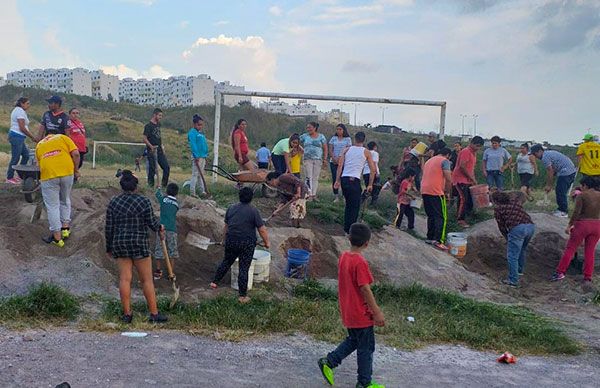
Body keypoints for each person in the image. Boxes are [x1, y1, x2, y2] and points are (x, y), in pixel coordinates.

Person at [318, 223, 385, 388]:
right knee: (366, 348)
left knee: (354, 340)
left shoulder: (343, 257)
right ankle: (364, 383)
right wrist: (376, 312)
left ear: (349, 238)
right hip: (362, 313)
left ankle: (329, 361)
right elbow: (365, 288)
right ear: (367, 243)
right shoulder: (360, 262)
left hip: (349, 310)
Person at [105, 170, 167, 323]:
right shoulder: (143, 201)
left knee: (125, 279)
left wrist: (109, 247)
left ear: (122, 186)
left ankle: (127, 315)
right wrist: (160, 228)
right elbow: (152, 223)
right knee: (146, 280)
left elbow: (109, 227)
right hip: (140, 244)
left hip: (120, 243)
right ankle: (154, 314)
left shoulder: (114, 202)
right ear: (136, 186)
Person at [210, 187, 270, 303]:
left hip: (231, 240)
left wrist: (224, 240)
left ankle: (214, 282)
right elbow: (262, 230)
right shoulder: (253, 211)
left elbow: (226, 227)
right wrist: (267, 242)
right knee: (244, 268)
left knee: (227, 261)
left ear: (239, 196)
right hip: (247, 243)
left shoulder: (231, 208)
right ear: (251, 198)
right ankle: (242, 296)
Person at [551, 176, 600, 286]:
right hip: (596, 224)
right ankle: (588, 276)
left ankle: (560, 272)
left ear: (585, 186)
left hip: (582, 223)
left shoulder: (582, 196)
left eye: (582, 186)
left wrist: (569, 225)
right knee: (590, 251)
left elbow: (576, 212)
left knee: (570, 249)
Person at [36, 128, 80, 247]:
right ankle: (65, 229)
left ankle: (57, 238)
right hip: (67, 173)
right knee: (65, 199)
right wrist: (76, 170)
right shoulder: (62, 137)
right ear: (55, 133)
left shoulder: (39, 145)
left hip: (48, 176)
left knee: (53, 206)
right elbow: (76, 154)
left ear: (45, 135)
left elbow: (39, 165)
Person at [334, 132, 376, 234]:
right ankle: (350, 230)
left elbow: (340, 166)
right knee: (355, 206)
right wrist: (370, 184)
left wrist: (337, 180)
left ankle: (346, 228)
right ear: (364, 140)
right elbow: (373, 170)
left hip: (344, 179)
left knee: (349, 204)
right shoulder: (366, 152)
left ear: (354, 139)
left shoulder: (346, 149)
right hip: (354, 179)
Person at [491, 191, 535, 287]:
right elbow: (520, 194)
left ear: (495, 201)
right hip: (530, 226)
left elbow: (502, 226)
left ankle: (513, 280)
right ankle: (519, 271)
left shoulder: (498, 209)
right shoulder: (514, 202)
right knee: (522, 249)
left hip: (517, 228)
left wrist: (507, 238)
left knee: (512, 256)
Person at [530, 144, 577, 218]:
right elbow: (553, 170)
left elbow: (550, 172)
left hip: (566, 172)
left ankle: (563, 211)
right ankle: (561, 209)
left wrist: (549, 185)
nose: (534, 156)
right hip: (570, 171)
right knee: (560, 191)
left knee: (560, 191)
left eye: (534, 154)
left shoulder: (545, 157)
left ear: (540, 151)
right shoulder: (548, 153)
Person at [421, 147, 453, 250]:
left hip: (425, 190)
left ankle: (430, 237)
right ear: (448, 155)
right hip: (436, 192)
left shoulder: (429, 161)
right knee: (441, 216)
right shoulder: (445, 161)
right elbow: (448, 179)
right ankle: (439, 240)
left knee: (431, 215)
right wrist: (447, 192)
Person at [452, 136, 484, 228]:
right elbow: (462, 166)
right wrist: (470, 177)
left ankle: (468, 215)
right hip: (460, 179)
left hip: (467, 180)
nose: (478, 148)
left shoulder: (474, 153)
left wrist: (473, 179)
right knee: (463, 199)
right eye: (477, 146)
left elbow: (471, 168)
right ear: (472, 143)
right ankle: (460, 219)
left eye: (479, 147)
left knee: (470, 199)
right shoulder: (466, 151)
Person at [153, 183, 180, 280]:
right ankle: (171, 272)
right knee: (172, 251)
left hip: (162, 228)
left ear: (167, 191)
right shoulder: (177, 204)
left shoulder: (164, 199)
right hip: (172, 229)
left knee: (159, 249)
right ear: (176, 193)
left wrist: (159, 188)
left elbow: (157, 194)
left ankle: (158, 271)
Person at [6, 97, 36, 184]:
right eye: (27, 103)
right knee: (15, 157)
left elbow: (18, 125)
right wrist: (32, 137)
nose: (28, 105)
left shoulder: (19, 111)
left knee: (26, 155)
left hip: (19, 136)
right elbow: (22, 128)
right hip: (17, 136)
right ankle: (9, 177)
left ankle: (20, 174)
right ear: (22, 104)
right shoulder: (19, 111)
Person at [300, 122, 328, 200]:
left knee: (315, 177)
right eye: (307, 128)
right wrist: (300, 150)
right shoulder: (304, 136)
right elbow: (295, 141)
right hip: (307, 159)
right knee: (308, 177)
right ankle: (308, 194)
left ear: (315, 128)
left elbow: (325, 148)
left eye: (310, 127)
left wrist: (325, 159)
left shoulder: (321, 137)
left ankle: (313, 194)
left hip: (318, 159)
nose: (308, 129)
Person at [143, 108, 170, 187]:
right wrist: (151, 146)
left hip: (159, 150)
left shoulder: (158, 124)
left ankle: (164, 186)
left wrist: (162, 146)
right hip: (151, 151)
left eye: (161, 115)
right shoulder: (148, 126)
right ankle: (150, 187)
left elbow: (158, 137)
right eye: (159, 115)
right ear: (154, 115)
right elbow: (144, 138)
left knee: (166, 168)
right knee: (152, 170)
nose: (160, 117)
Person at [329, 124, 352, 202]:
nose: (338, 131)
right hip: (333, 161)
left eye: (340, 129)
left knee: (344, 179)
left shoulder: (347, 139)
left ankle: (344, 196)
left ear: (343, 130)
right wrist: (334, 158)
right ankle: (336, 196)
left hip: (344, 162)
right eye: (337, 129)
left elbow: (349, 149)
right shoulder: (333, 138)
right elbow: (331, 149)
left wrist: (341, 158)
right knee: (335, 178)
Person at [187, 114, 209, 197]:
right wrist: (196, 155)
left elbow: (203, 144)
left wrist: (205, 153)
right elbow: (193, 145)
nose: (200, 126)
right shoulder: (192, 133)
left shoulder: (200, 133)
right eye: (199, 125)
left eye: (201, 125)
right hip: (197, 157)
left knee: (201, 174)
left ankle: (202, 191)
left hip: (203, 156)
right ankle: (192, 192)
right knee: (195, 174)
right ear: (194, 124)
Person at [363, 142, 381, 206]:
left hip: (365, 172)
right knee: (376, 188)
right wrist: (376, 172)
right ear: (374, 147)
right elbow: (374, 163)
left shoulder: (366, 152)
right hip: (372, 172)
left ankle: (361, 201)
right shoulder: (375, 153)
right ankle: (373, 204)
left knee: (368, 187)